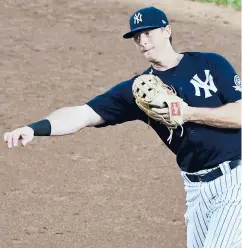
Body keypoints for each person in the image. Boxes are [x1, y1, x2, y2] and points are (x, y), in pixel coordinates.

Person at [3, 6, 242, 248]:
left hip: (234, 179)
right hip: (195, 191)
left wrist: (188, 113)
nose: (142, 41)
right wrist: (34, 128)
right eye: (137, 37)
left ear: (167, 30)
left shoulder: (209, 64)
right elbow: (81, 114)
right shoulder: (138, 91)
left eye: (148, 33)